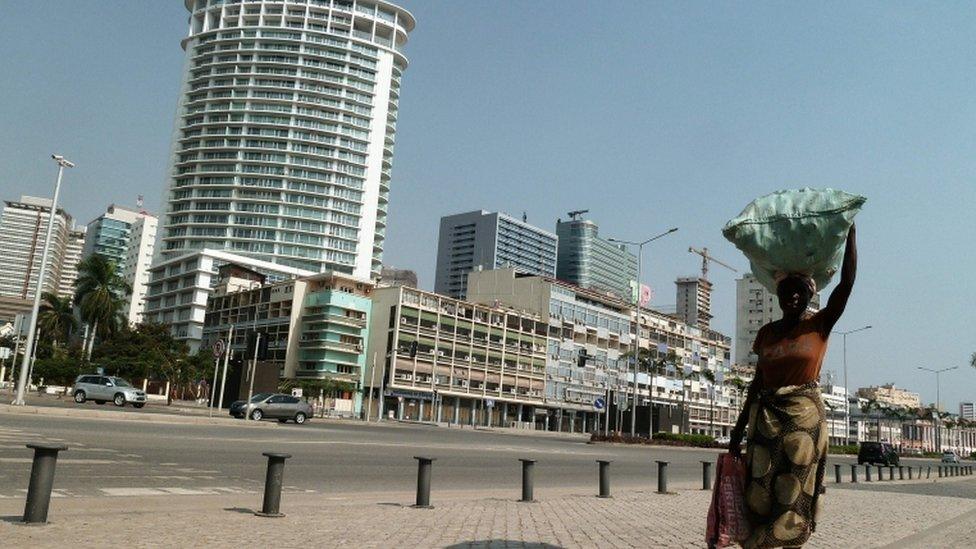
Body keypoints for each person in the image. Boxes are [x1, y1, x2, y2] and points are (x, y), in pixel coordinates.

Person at [728, 224, 857, 548]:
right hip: (765, 421)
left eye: (799, 292)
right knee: (760, 487)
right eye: (787, 292)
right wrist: (738, 428)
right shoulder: (767, 333)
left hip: (804, 423)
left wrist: (850, 236)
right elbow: (757, 382)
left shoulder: (820, 324)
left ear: (810, 295)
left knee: (794, 488)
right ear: (779, 295)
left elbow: (847, 283)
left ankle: (789, 539)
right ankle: (760, 540)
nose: (793, 297)